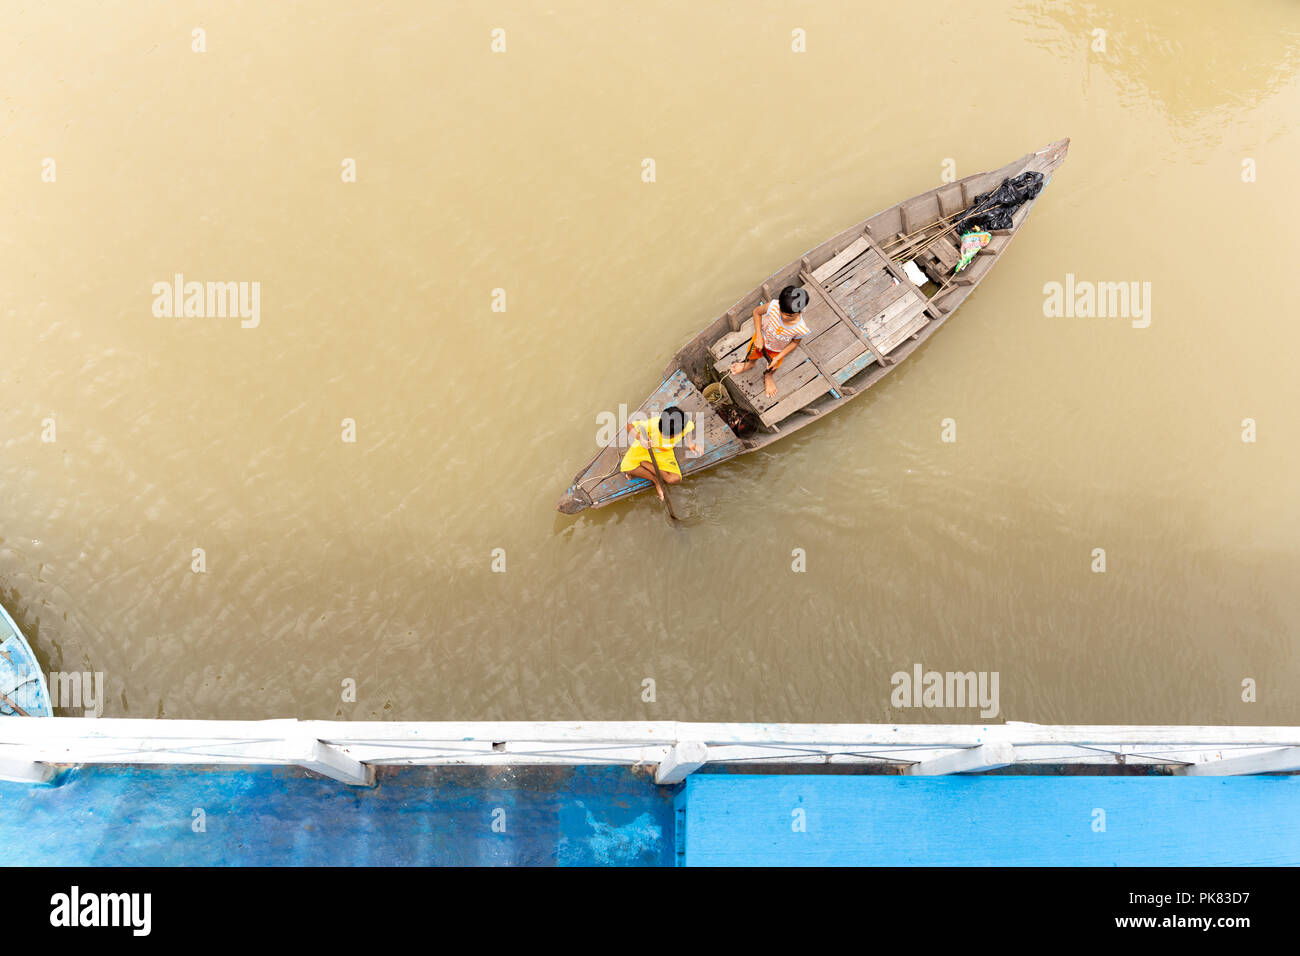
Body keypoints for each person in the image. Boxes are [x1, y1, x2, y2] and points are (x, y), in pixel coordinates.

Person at [729, 285, 810, 397]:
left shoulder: (801, 328)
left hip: (778, 350)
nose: (784, 316)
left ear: (800, 312)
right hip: (761, 338)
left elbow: (795, 343)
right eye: (782, 311)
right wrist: (758, 335)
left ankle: (768, 376)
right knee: (752, 354)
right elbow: (757, 312)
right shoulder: (773, 306)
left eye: (789, 315)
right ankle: (749, 364)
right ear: (780, 304)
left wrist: (779, 357)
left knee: (773, 366)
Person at [619, 405, 700, 501]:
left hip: (663, 452)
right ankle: (656, 481)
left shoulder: (684, 425)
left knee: (674, 479)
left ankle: (645, 464)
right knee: (626, 469)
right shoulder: (652, 424)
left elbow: (689, 430)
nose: (667, 437)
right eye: (664, 434)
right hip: (645, 448)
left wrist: (691, 444)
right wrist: (641, 439)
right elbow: (628, 425)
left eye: (670, 436)